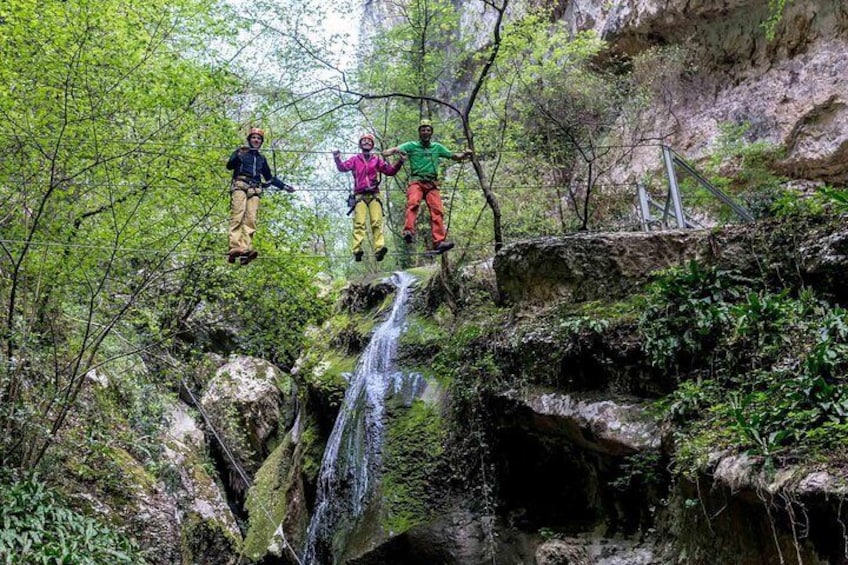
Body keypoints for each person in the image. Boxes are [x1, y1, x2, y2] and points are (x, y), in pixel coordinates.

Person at [383, 119, 471, 254]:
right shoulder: (411, 146)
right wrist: (387, 152)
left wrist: (465, 155)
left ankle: (439, 242)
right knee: (413, 203)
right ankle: (408, 231)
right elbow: (394, 149)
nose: (425, 132)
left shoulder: (437, 147)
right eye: (423, 129)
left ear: (431, 132)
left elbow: (454, 156)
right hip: (416, 181)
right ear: (419, 132)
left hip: (432, 184)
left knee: (438, 211)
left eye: (428, 130)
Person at [226, 127, 294, 264]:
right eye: (254, 138)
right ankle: (234, 247)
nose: (256, 140)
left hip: (255, 189)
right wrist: (237, 153)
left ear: (261, 142)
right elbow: (229, 166)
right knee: (238, 215)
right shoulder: (241, 152)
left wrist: (285, 187)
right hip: (240, 185)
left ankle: (246, 249)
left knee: (251, 219)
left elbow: (269, 177)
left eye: (258, 139)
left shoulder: (261, 159)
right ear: (249, 140)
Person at [333, 133, 405, 262]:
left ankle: (379, 249)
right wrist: (337, 158)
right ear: (360, 144)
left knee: (377, 222)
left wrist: (400, 162)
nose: (366, 142)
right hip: (359, 195)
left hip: (374, 194)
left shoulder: (376, 159)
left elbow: (390, 171)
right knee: (359, 223)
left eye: (369, 141)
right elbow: (342, 168)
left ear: (372, 145)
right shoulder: (355, 159)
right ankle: (357, 250)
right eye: (364, 140)